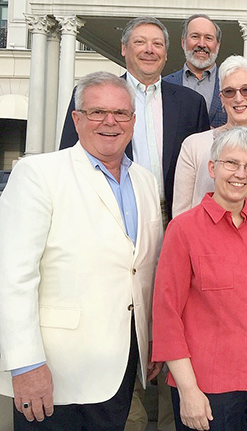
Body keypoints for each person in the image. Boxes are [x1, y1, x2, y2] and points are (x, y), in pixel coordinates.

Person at [0, 71, 163, 430]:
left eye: (121, 113)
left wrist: (150, 340)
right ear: (76, 119)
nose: (110, 122)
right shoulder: (38, 174)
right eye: (96, 112)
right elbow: (13, 277)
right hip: (55, 375)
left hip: (121, 368)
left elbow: (144, 271)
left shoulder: (146, 182)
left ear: (133, 121)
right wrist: (26, 364)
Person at [152, 127, 247, 431]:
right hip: (207, 381)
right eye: (231, 163)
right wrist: (189, 391)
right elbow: (167, 316)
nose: (240, 174)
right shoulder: (183, 230)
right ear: (212, 167)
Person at [60, 16, 211, 221]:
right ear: (124, 48)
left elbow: (202, 167)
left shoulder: (192, 104)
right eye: (140, 42)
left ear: (165, 54)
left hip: (175, 217)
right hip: (110, 212)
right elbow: (71, 155)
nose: (149, 49)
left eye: (157, 44)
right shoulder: (91, 96)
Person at [172, 55, 247, 217]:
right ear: (221, 99)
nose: (238, 98)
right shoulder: (194, 146)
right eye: (229, 91)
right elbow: (181, 215)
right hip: (207, 241)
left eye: (246, 90)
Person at [164, 14, 227, 127]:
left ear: (218, 45)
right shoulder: (165, 85)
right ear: (183, 42)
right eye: (195, 36)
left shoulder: (231, 84)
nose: (202, 44)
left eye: (208, 38)